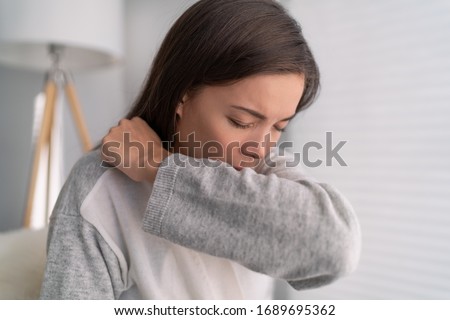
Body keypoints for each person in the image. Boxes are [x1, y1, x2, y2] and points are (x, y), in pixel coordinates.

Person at [40, 0, 361, 299]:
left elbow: (337, 246)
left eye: (279, 127)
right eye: (241, 121)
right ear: (182, 96)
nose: (261, 149)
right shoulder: (100, 189)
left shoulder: (266, 172)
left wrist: (158, 168)